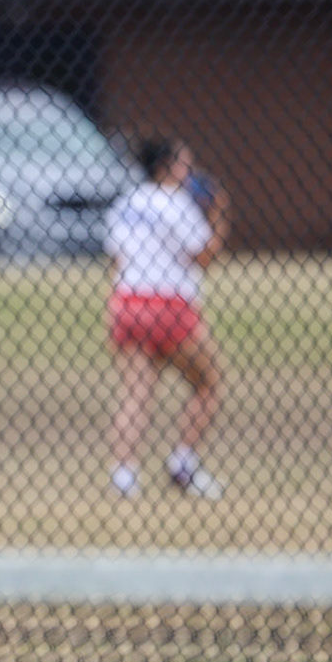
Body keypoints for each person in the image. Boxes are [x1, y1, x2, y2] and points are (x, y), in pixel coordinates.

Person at [104, 137, 230, 500]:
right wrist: (219, 211)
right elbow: (203, 256)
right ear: (165, 168)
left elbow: (116, 259)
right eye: (183, 164)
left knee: (136, 394)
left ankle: (124, 476)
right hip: (170, 305)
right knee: (208, 383)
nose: (189, 172)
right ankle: (182, 463)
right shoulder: (177, 204)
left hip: (128, 301)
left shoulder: (127, 202)